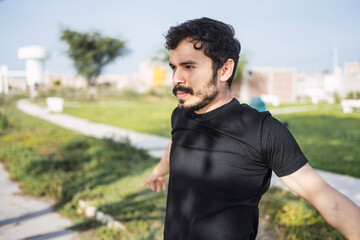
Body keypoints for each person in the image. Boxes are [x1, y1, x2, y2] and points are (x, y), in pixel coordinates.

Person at [143, 17, 360, 240]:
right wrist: (160, 170)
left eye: (189, 66)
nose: (176, 78)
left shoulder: (262, 131)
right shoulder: (180, 115)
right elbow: (176, 144)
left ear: (225, 69)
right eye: (174, 68)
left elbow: (333, 205)